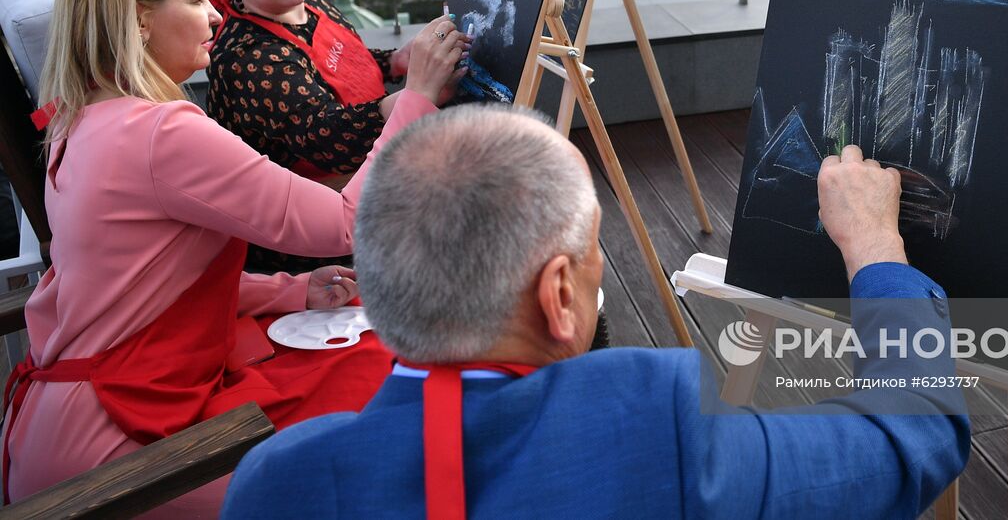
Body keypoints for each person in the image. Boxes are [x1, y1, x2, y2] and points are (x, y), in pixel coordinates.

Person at [222, 106, 970, 519]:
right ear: (557, 296)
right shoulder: (656, 422)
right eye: (591, 251)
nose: (598, 266)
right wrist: (874, 247)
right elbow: (912, 436)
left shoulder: (277, 483)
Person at [1, 0, 468, 515]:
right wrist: (418, 96)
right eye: (198, 1)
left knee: (377, 372)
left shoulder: (76, 120)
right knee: (399, 421)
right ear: (139, 19)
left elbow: (138, 283)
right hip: (125, 448)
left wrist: (289, 288)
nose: (217, 18)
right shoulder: (161, 132)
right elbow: (350, 224)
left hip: (68, 422)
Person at [193, 0, 466, 273]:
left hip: (368, 191)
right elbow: (326, 139)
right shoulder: (246, 58)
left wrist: (395, 62)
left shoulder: (304, 0)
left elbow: (337, 65)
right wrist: (418, 92)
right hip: (312, 248)